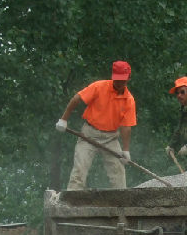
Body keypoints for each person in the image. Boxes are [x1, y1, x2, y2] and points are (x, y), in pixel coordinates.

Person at [55, 60, 136, 189]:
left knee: (118, 173)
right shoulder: (99, 87)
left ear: (129, 78)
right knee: (79, 171)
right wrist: (64, 119)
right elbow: (77, 98)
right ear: (112, 76)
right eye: (117, 79)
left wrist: (125, 150)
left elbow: (126, 127)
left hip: (111, 138)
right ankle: (70, 202)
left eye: (123, 80)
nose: (120, 83)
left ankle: (121, 205)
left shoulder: (129, 100)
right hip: (89, 134)